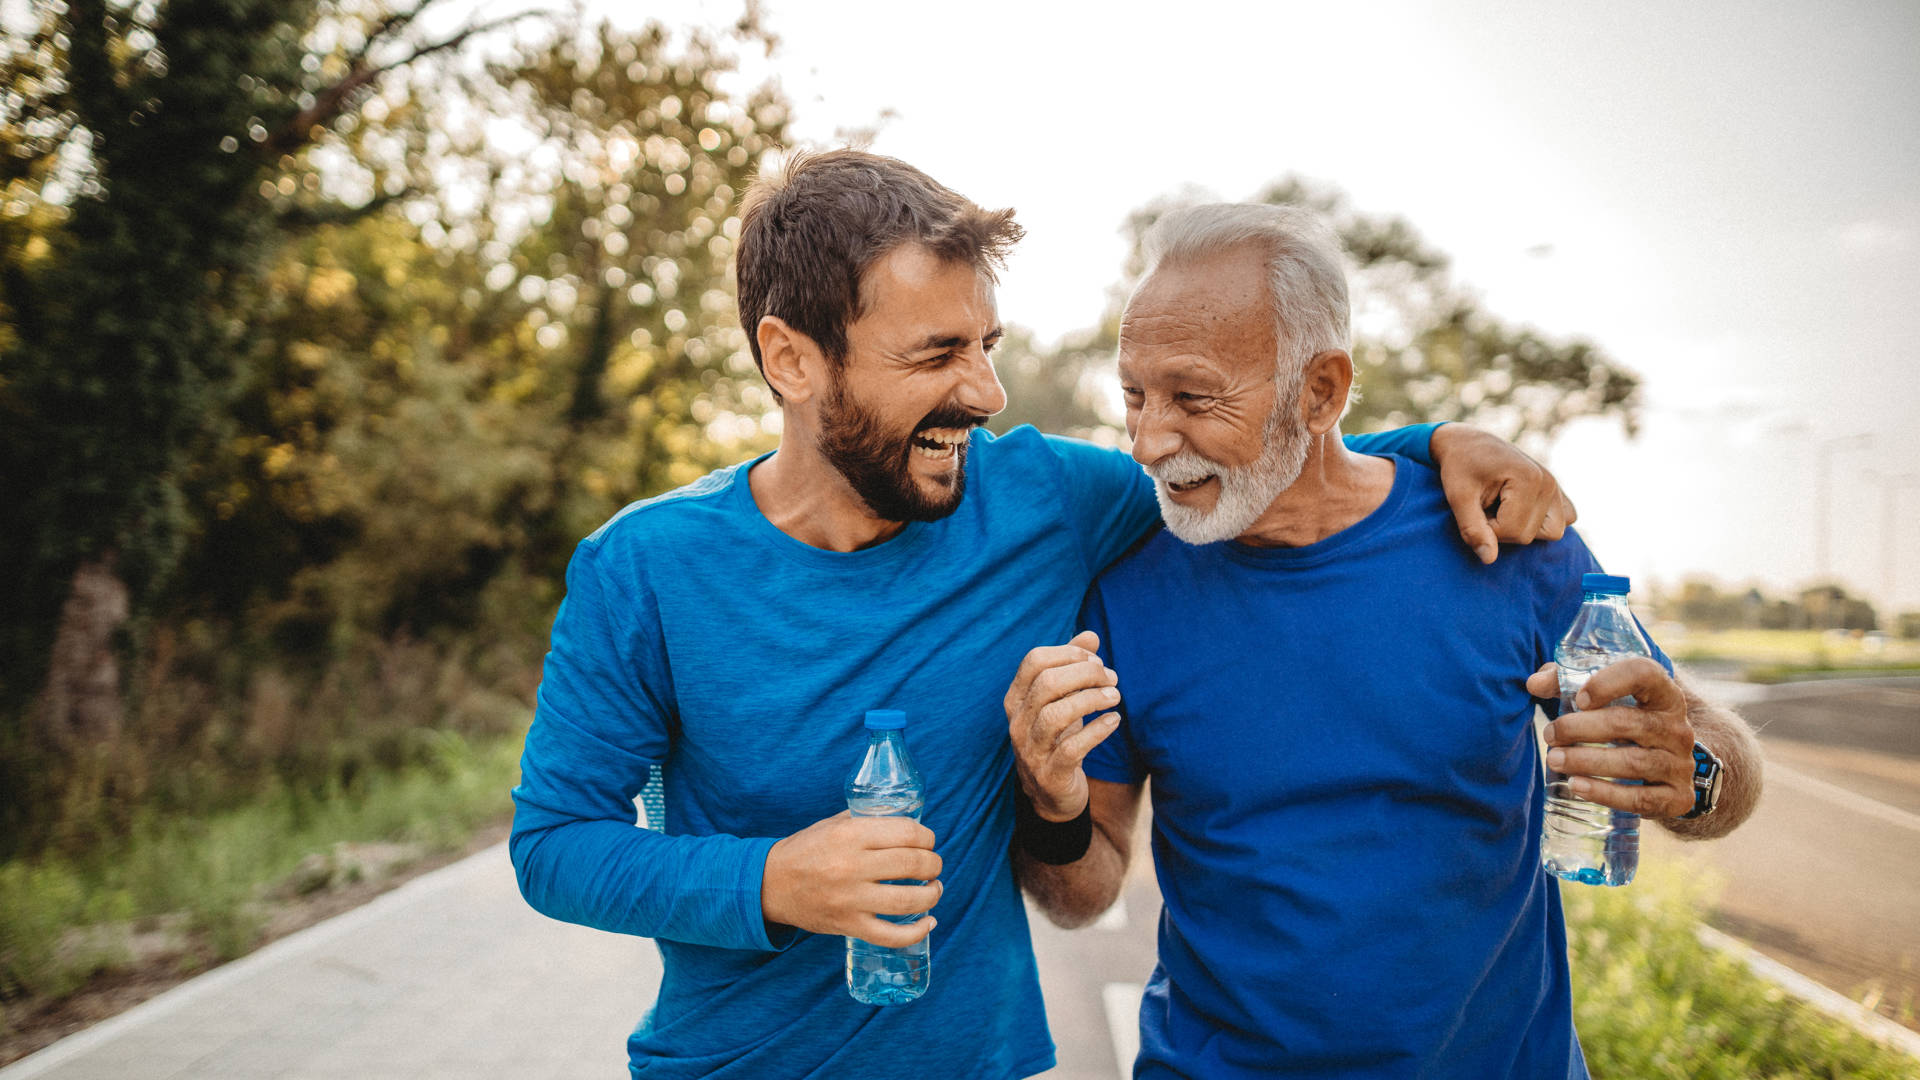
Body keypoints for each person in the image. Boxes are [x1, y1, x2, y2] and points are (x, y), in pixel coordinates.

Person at [508, 151, 1579, 1080]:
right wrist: (773, 879)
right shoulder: (643, 569)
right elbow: (555, 845)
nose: (985, 392)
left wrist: (1436, 443)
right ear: (792, 359)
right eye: (935, 355)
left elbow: (1262, 462)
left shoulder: (1047, 504)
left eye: (986, 343)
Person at [1006, 203, 1763, 1079]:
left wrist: (1694, 776)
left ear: (1320, 391)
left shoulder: (1502, 541)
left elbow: (1719, 759)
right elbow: (1081, 894)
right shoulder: (1127, 590)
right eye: (1133, 395)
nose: (1146, 440)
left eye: (1192, 396)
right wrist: (1049, 801)